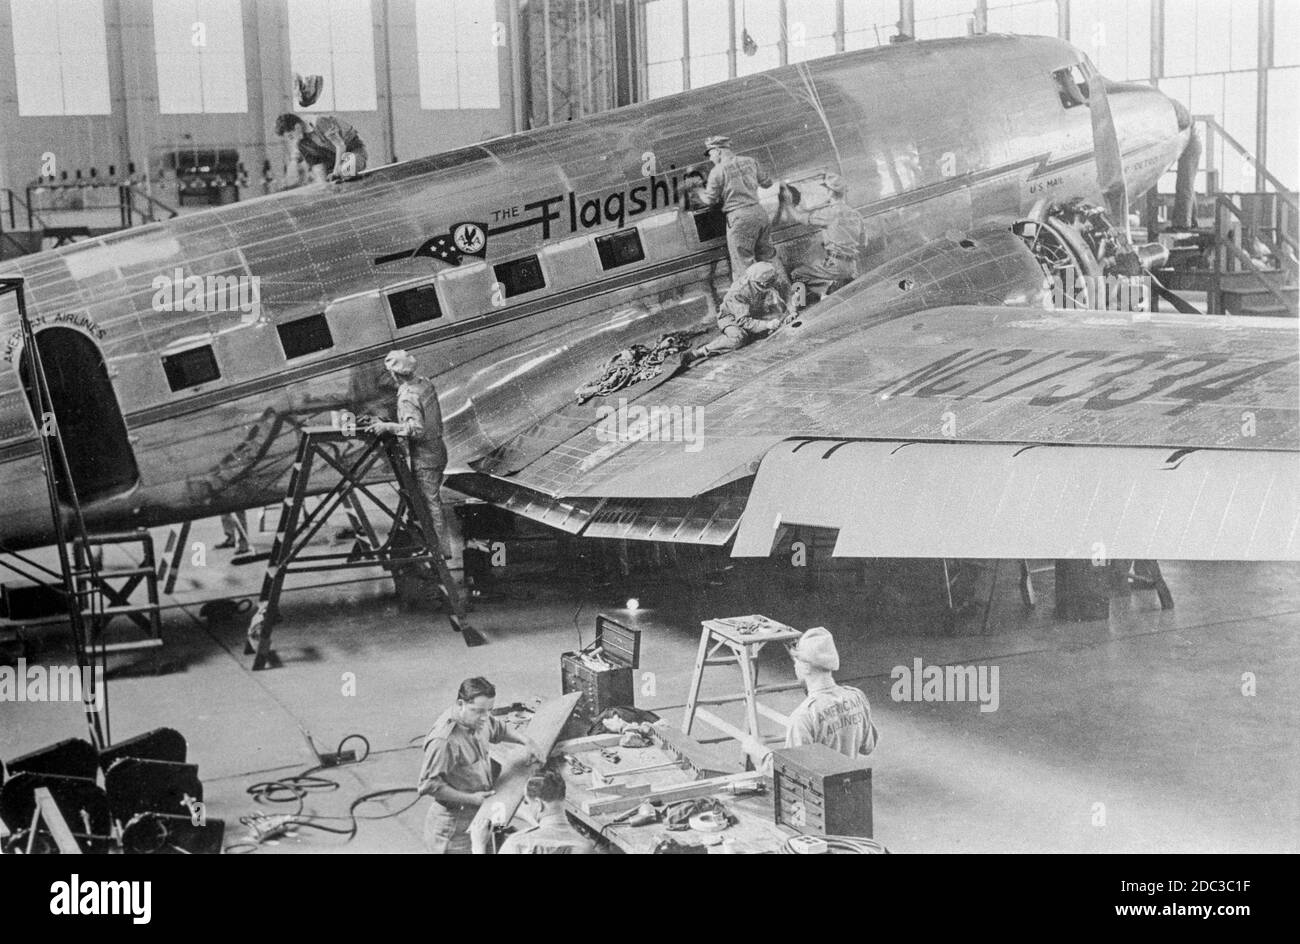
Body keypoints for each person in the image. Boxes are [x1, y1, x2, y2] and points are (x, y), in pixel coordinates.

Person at [417, 677, 543, 854]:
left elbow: (498, 728)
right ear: (461, 704)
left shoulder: (478, 719)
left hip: (480, 815)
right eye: (479, 711)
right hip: (454, 826)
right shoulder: (444, 741)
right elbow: (428, 785)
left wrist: (526, 740)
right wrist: (473, 798)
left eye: (489, 710)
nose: (485, 717)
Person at [741, 627, 879, 776]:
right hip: (846, 790)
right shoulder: (857, 697)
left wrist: (760, 754)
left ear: (806, 667)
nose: (794, 666)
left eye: (796, 661)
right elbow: (868, 747)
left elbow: (791, 776)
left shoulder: (804, 716)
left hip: (814, 797)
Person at [367, 350, 451, 557]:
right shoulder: (424, 383)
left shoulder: (407, 396)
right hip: (438, 449)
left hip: (425, 455)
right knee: (431, 501)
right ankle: (437, 546)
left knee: (430, 504)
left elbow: (416, 430)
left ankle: (440, 551)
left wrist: (387, 428)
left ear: (395, 374)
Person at [692, 135, 777, 282]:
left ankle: (758, 302)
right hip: (759, 213)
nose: (711, 158)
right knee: (768, 259)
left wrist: (697, 189)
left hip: (740, 218)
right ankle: (783, 298)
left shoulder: (717, 171)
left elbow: (709, 200)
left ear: (718, 151)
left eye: (711, 154)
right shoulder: (750, 161)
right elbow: (768, 183)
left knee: (744, 265)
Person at [683, 261, 791, 365]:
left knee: (779, 316)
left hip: (753, 313)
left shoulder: (767, 278)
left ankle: (757, 330)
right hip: (731, 317)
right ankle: (702, 351)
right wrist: (767, 324)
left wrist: (792, 310)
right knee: (739, 338)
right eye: (770, 282)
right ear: (762, 283)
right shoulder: (740, 292)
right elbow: (743, 321)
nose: (774, 282)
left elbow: (786, 291)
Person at [785, 173, 864, 304]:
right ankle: (829, 291)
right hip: (852, 266)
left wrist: (787, 202)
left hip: (836, 265)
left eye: (826, 189)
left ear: (831, 192)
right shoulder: (856, 214)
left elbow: (799, 217)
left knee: (797, 274)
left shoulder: (829, 213)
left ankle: (801, 306)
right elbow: (862, 243)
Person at [496, 767, 596, 855]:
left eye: (527, 802)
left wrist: (480, 844)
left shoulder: (518, 843)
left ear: (539, 804)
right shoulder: (586, 847)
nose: (527, 807)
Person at [274, 113, 368, 183]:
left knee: (345, 172)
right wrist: (323, 183)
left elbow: (341, 146)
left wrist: (335, 173)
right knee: (325, 181)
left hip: (352, 151)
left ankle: (344, 171)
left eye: (291, 136)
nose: (292, 140)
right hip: (333, 162)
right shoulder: (301, 143)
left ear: (297, 127)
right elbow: (317, 165)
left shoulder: (320, 122)